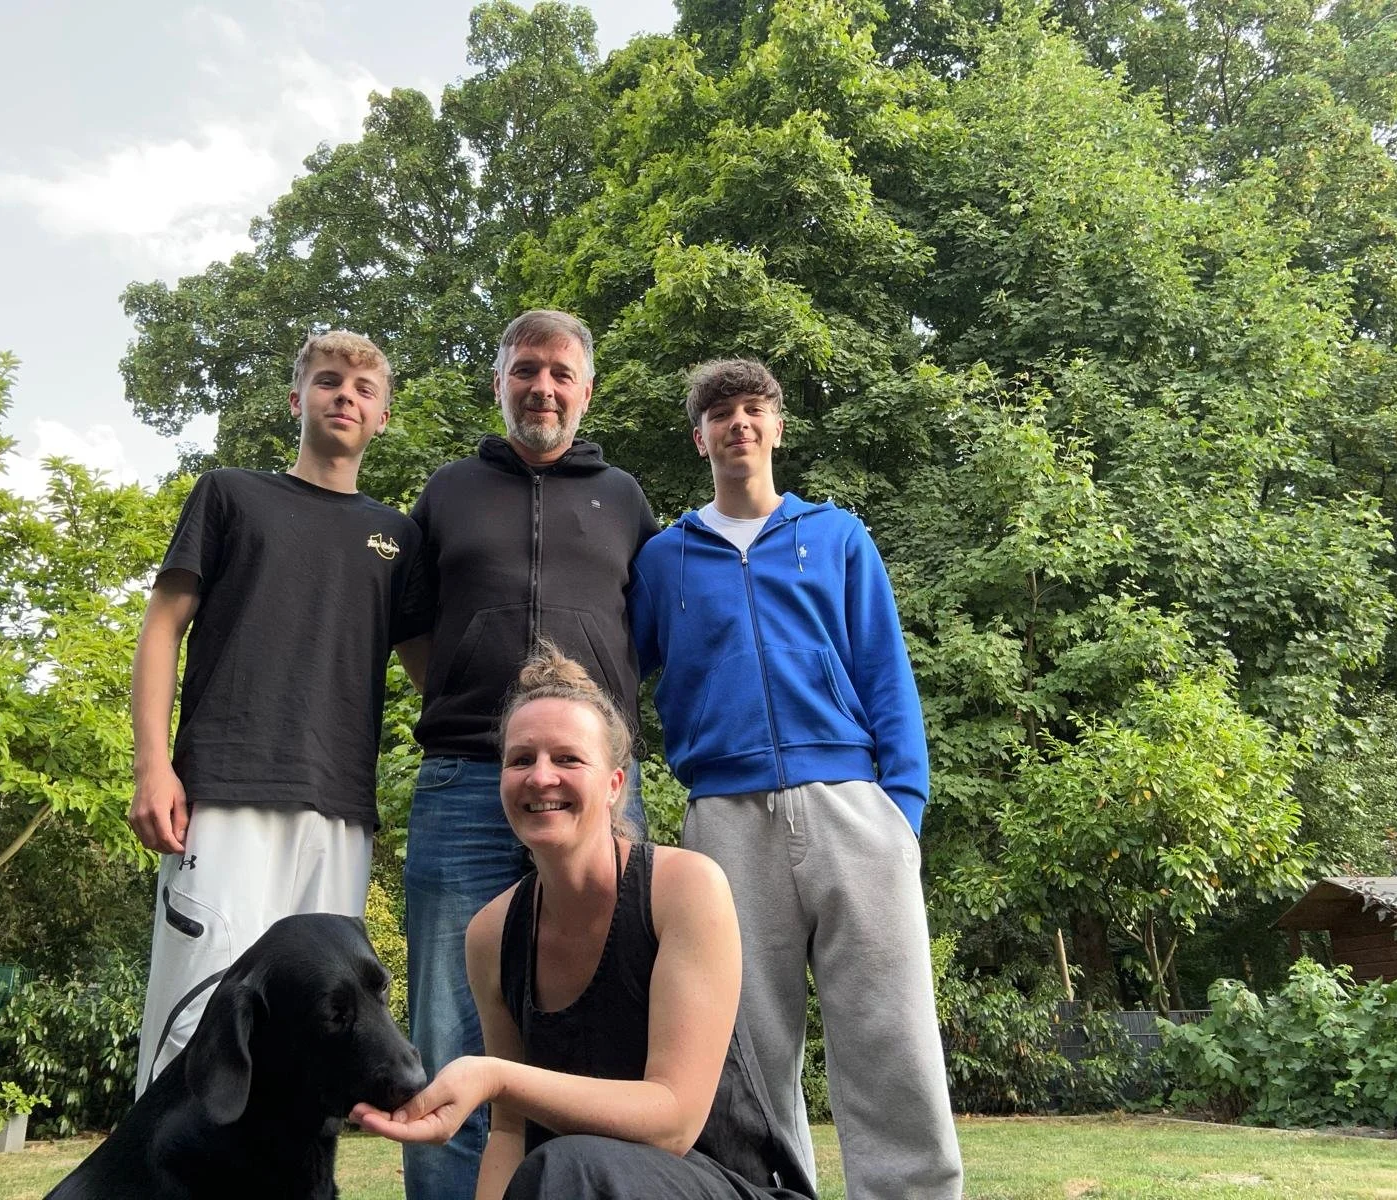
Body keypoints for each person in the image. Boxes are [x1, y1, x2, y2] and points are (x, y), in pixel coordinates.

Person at [627, 359, 964, 1198]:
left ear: (778, 428)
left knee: (892, 1035)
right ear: (697, 436)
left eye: (753, 410)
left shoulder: (838, 536)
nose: (738, 424)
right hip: (724, 822)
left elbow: (887, 675)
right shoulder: (665, 559)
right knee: (746, 1047)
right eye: (721, 412)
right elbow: (618, 681)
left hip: (854, 809)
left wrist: (903, 814)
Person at [354, 645, 813, 1200]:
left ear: (616, 783)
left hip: (723, 1185)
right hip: (576, 1182)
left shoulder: (685, 889)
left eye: (568, 759)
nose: (539, 777)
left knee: (569, 1166)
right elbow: (509, 1131)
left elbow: (674, 1120)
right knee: (560, 1166)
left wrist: (493, 1076)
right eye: (520, 760)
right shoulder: (491, 935)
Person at [394, 310, 658, 1197]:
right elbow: (414, 631)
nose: (541, 387)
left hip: (598, 793)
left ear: (587, 389)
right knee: (449, 1021)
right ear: (500, 379)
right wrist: (473, 702)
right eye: (525, 371)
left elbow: (644, 634)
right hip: (468, 779)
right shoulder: (447, 491)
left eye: (559, 373)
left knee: (623, 1004)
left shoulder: (624, 497)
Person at [129, 329, 427, 1093]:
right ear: (298, 399)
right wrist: (153, 765)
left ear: (383, 416)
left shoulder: (397, 536)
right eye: (328, 382)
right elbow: (162, 627)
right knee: (197, 1024)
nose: (345, 398)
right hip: (224, 796)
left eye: (364, 390)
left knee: (315, 1041)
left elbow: (434, 676)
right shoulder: (230, 494)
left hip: (342, 817)